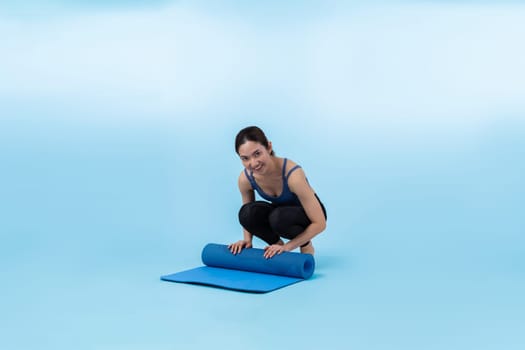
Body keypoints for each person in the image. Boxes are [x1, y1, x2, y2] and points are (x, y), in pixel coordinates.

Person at [228, 126, 327, 259]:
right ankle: (275, 245)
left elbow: (320, 223)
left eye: (257, 154)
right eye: (245, 158)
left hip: (309, 216)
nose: (253, 163)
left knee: (278, 218)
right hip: (280, 213)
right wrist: (247, 240)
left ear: (268, 147)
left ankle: (305, 244)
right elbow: (248, 214)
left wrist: (288, 247)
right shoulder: (245, 179)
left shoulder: (293, 175)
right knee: (246, 213)